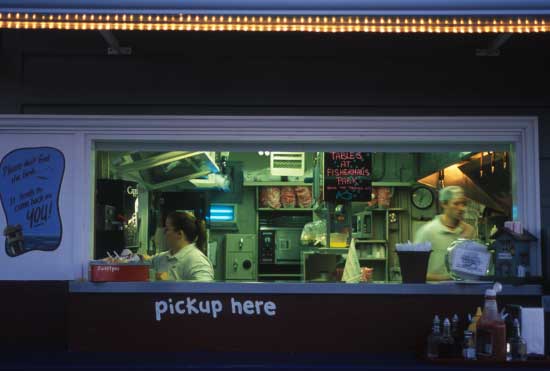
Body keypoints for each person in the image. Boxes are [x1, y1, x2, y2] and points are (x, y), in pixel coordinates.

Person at [414, 186, 476, 281]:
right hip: (434, 293)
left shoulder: (467, 231)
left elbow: (472, 267)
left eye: (463, 204)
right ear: (444, 204)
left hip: (462, 293)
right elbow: (414, 272)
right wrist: (447, 278)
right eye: (456, 203)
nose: (461, 208)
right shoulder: (428, 232)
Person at [152, 211, 214, 282]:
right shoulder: (164, 257)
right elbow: (147, 260)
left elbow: (204, 290)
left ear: (179, 234)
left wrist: (169, 283)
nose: (164, 233)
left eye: (167, 229)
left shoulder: (198, 261)